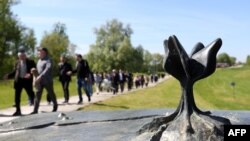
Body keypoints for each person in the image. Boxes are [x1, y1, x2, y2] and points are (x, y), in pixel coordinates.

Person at [4, 50, 36, 116]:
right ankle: (18, 111)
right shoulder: (17, 63)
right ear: (18, 57)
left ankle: (36, 109)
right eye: (20, 56)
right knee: (17, 97)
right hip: (18, 82)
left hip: (27, 81)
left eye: (23, 56)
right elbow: (14, 72)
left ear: (25, 56)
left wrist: (30, 74)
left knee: (31, 95)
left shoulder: (31, 62)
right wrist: (8, 76)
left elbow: (34, 70)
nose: (22, 57)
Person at [31, 47, 58, 114]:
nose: (38, 53)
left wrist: (41, 76)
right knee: (37, 95)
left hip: (47, 81)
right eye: (38, 52)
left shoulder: (48, 60)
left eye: (40, 52)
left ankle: (55, 106)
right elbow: (38, 70)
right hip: (39, 82)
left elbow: (48, 69)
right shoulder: (39, 61)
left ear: (44, 53)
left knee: (51, 94)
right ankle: (35, 110)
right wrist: (34, 72)